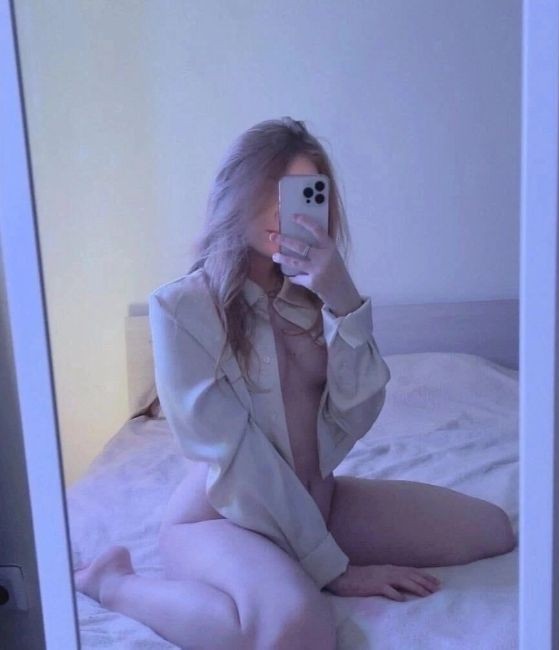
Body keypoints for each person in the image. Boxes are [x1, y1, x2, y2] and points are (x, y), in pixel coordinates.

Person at [74, 117, 516, 650]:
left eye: (301, 194)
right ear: (235, 194)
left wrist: (344, 300)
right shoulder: (180, 309)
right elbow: (233, 453)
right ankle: (114, 583)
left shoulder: (312, 299)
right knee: (298, 629)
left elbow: (357, 413)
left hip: (317, 504)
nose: (282, 212)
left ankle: (280, 573)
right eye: (269, 191)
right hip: (222, 516)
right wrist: (333, 568)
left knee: (491, 531)